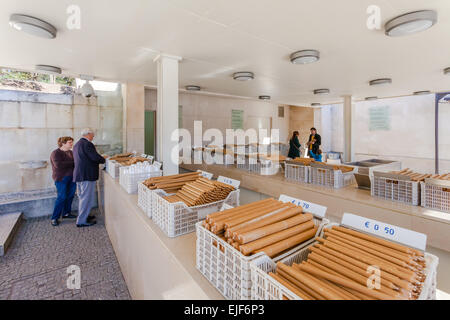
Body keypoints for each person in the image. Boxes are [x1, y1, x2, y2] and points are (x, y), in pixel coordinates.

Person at [73, 128, 106, 228]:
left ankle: (84, 216)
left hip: (80, 175)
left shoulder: (77, 144)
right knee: (86, 198)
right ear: (88, 134)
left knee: (83, 198)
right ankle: (82, 221)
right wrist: (104, 159)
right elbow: (94, 157)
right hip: (86, 175)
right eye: (92, 135)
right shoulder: (87, 144)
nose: (93, 136)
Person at [50, 137, 77, 226]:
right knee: (62, 197)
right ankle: (54, 218)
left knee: (70, 196)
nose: (71, 144)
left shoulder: (71, 152)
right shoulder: (55, 153)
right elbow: (59, 165)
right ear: (63, 143)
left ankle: (66, 213)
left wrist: (73, 162)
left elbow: (74, 163)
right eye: (69, 142)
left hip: (72, 178)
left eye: (72, 142)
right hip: (61, 179)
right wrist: (73, 162)